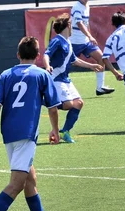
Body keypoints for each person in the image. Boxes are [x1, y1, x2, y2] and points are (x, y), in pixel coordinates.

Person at [0, 36, 65, 211]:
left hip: (9, 134)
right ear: (38, 56)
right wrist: (55, 130)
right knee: (16, 185)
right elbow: (52, 107)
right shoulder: (42, 74)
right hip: (26, 135)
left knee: (30, 180)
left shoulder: (6, 75)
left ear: (18, 55)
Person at [43, 13, 104, 144]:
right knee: (68, 104)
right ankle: (44, 100)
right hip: (56, 78)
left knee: (78, 103)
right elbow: (46, 54)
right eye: (71, 24)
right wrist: (47, 65)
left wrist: (92, 66)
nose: (72, 27)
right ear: (68, 25)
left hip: (65, 78)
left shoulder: (68, 43)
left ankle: (65, 131)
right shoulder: (57, 40)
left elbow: (75, 61)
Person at [69, 0, 115, 96]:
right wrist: (90, 36)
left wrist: (88, 37)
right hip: (74, 42)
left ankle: (100, 87)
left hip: (85, 42)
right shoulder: (76, 7)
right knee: (64, 65)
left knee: (101, 58)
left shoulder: (87, 6)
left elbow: (86, 23)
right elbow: (79, 23)